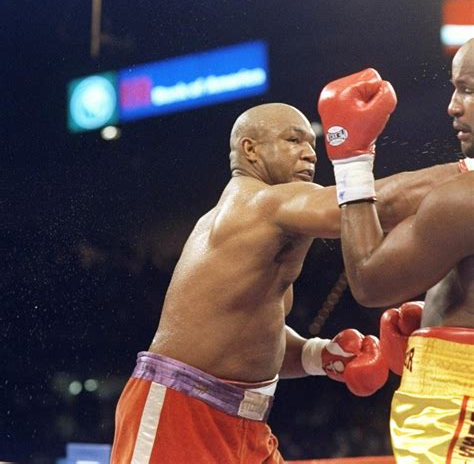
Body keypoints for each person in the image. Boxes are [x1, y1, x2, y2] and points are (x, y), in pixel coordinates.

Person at [110, 73, 465, 463]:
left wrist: (319, 355)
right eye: (294, 140)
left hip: (247, 421)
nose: (310, 153)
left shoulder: (273, 227)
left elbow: (250, 335)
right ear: (250, 150)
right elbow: (370, 206)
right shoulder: (257, 203)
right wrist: (465, 172)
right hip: (180, 412)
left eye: (312, 143)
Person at [320, 38, 474, 463]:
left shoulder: (464, 199)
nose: (452, 106)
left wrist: (351, 160)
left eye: (468, 89)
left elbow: (369, 282)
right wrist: (441, 321)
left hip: (458, 404)